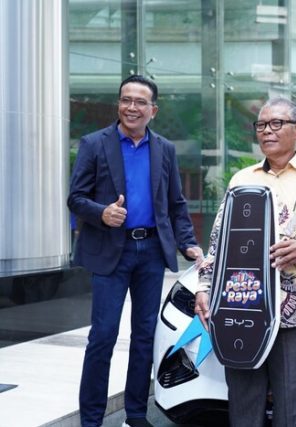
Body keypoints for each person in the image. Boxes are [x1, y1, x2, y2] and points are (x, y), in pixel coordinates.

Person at [194, 97, 296, 427]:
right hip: (242, 310)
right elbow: (218, 243)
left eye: (277, 123)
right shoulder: (241, 180)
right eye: (262, 125)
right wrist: (204, 288)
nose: (267, 131)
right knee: (244, 408)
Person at [68, 74, 204, 427]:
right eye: (126, 100)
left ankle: (136, 414)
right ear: (119, 104)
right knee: (103, 337)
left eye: (140, 102)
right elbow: (76, 198)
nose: (132, 107)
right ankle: (92, 420)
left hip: (151, 252)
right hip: (110, 251)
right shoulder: (94, 144)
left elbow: (175, 203)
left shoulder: (164, 149)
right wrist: (102, 213)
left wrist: (188, 242)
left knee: (144, 337)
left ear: (153, 110)